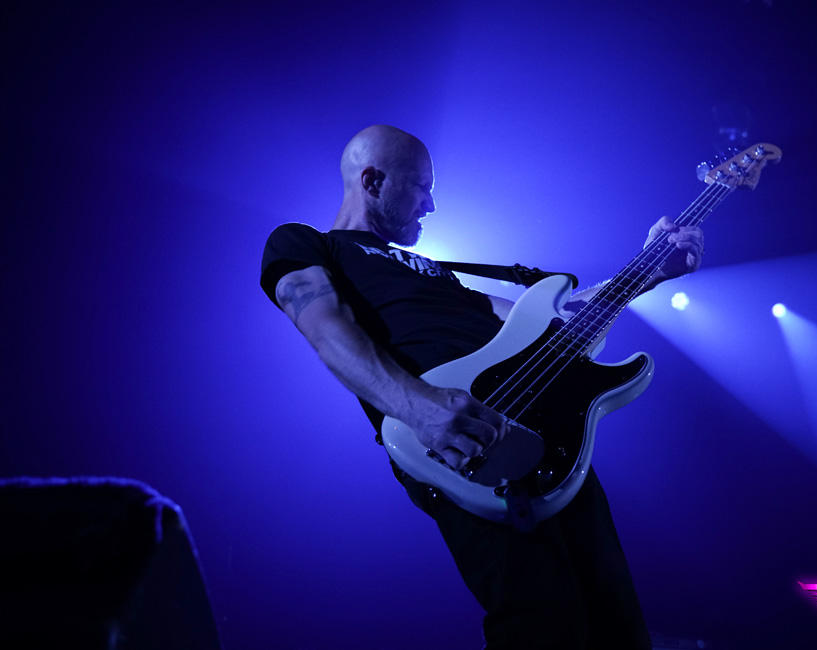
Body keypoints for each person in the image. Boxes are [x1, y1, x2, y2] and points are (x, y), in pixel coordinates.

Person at [260, 125, 704, 649]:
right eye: (421, 187)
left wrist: (648, 270)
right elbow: (324, 326)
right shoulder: (306, 242)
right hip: (463, 436)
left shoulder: (439, 273)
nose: (430, 204)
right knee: (544, 624)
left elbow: (555, 324)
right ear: (373, 181)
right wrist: (419, 408)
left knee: (619, 624)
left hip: (551, 432)